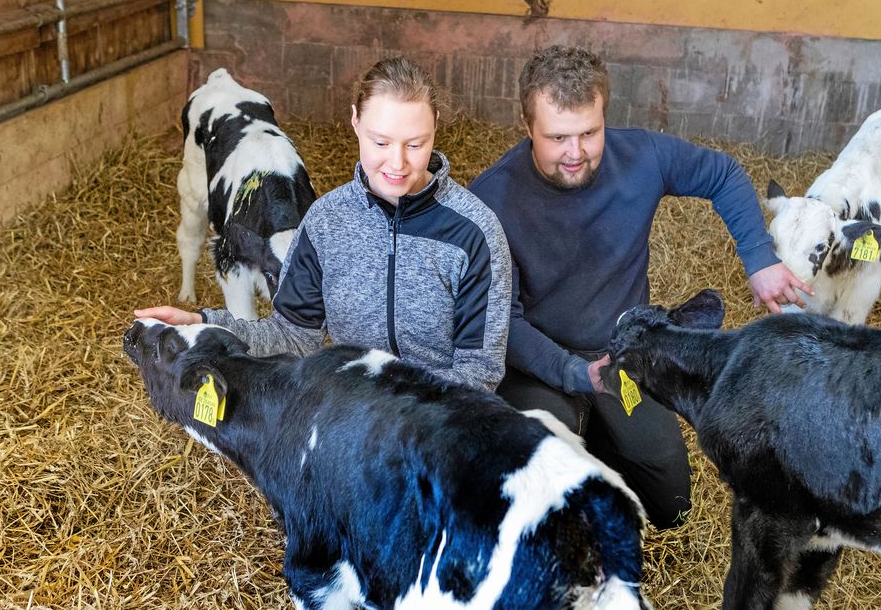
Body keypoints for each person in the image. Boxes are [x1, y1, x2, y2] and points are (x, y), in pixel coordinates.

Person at [468, 45, 812, 527]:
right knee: (544, 488)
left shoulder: (641, 156)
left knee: (671, 506)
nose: (576, 153)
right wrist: (573, 374)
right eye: (558, 137)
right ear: (528, 128)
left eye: (589, 133)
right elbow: (502, 320)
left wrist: (759, 259)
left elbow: (724, 175)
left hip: (622, 356)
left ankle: (607, 435)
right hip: (538, 365)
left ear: (605, 116)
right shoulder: (490, 200)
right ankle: (580, 427)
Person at [136, 57, 511, 390]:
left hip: (440, 426)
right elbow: (290, 336)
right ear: (355, 122)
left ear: (436, 128)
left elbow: (479, 372)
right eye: (380, 142)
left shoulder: (474, 232)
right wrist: (203, 325)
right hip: (349, 417)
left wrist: (396, 414)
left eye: (415, 144)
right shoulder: (326, 222)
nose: (397, 164)